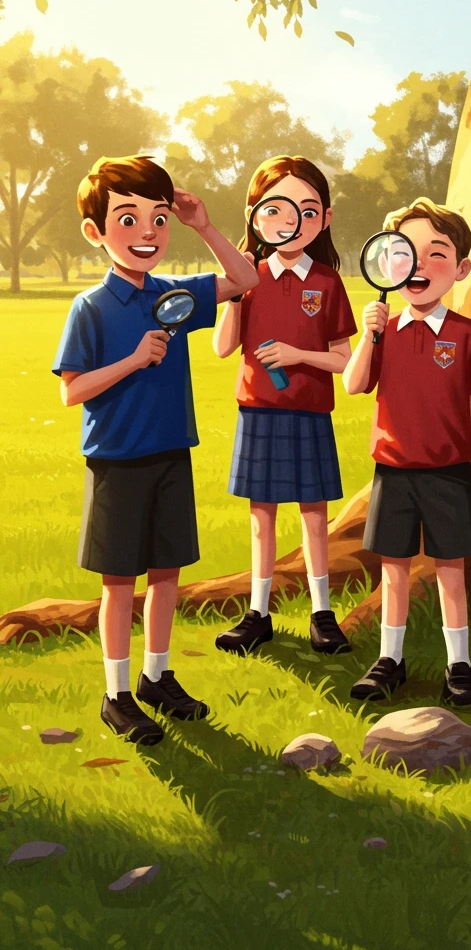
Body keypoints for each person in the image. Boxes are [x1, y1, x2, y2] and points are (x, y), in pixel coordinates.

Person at [52, 155, 258, 745]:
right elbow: (72, 391)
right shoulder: (90, 307)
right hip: (117, 459)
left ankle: (155, 676)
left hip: (172, 453)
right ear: (96, 232)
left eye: (159, 219)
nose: (147, 232)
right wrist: (133, 361)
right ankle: (116, 694)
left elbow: (246, 281)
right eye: (129, 219)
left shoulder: (174, 295)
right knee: (119, 582)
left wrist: (205, 226)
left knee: (165, 575)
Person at [343, 198, 471, 708]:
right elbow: (353, 384)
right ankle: (390, 658)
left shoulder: (466, 334)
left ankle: (459, 665)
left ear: (460, 269)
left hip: (449, 471)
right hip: (392, 469)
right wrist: (370, 334)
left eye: (437, 254)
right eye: (405, 253)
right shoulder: (385, 330)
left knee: (449, 570)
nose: (419, 266)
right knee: (393, 568)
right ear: (387, 263)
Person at [212, 156, 357, 656]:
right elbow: (222, 347)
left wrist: (297, 356)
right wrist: (233, 292)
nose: (291, 223)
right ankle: (258, 612)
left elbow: (344, 359)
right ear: (256, 215)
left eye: (308, 212)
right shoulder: (246, 277)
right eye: (277, 211)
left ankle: (322, 612)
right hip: (258, 410)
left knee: (314, 515)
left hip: (311, 411)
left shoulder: (327, 282)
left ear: (325, 218)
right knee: (262, 515)